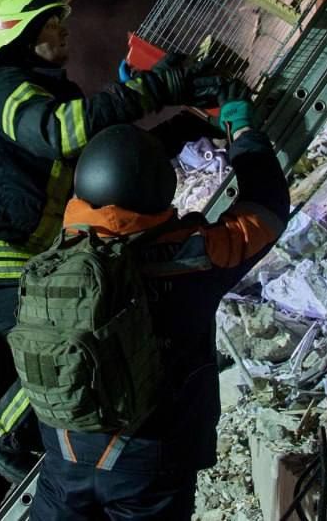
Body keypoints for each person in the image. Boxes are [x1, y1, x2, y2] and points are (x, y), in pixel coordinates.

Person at [0, 0, 211, 519]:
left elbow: (106, 163)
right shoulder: (6, 88)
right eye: (50, 23)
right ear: (17, 35)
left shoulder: (50, 93)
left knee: (30, 374)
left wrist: (181, 127)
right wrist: (152, 90)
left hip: (26, 256)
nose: (64, 30)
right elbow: (59, 134)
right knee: (57, 353)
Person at [27, 86, 289, 519]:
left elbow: (122, 166)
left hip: (65, 452)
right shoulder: (192, 259)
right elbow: (267, 208)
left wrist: (177, 124)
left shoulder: (55, 256)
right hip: (148, 463)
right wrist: (243, 133)